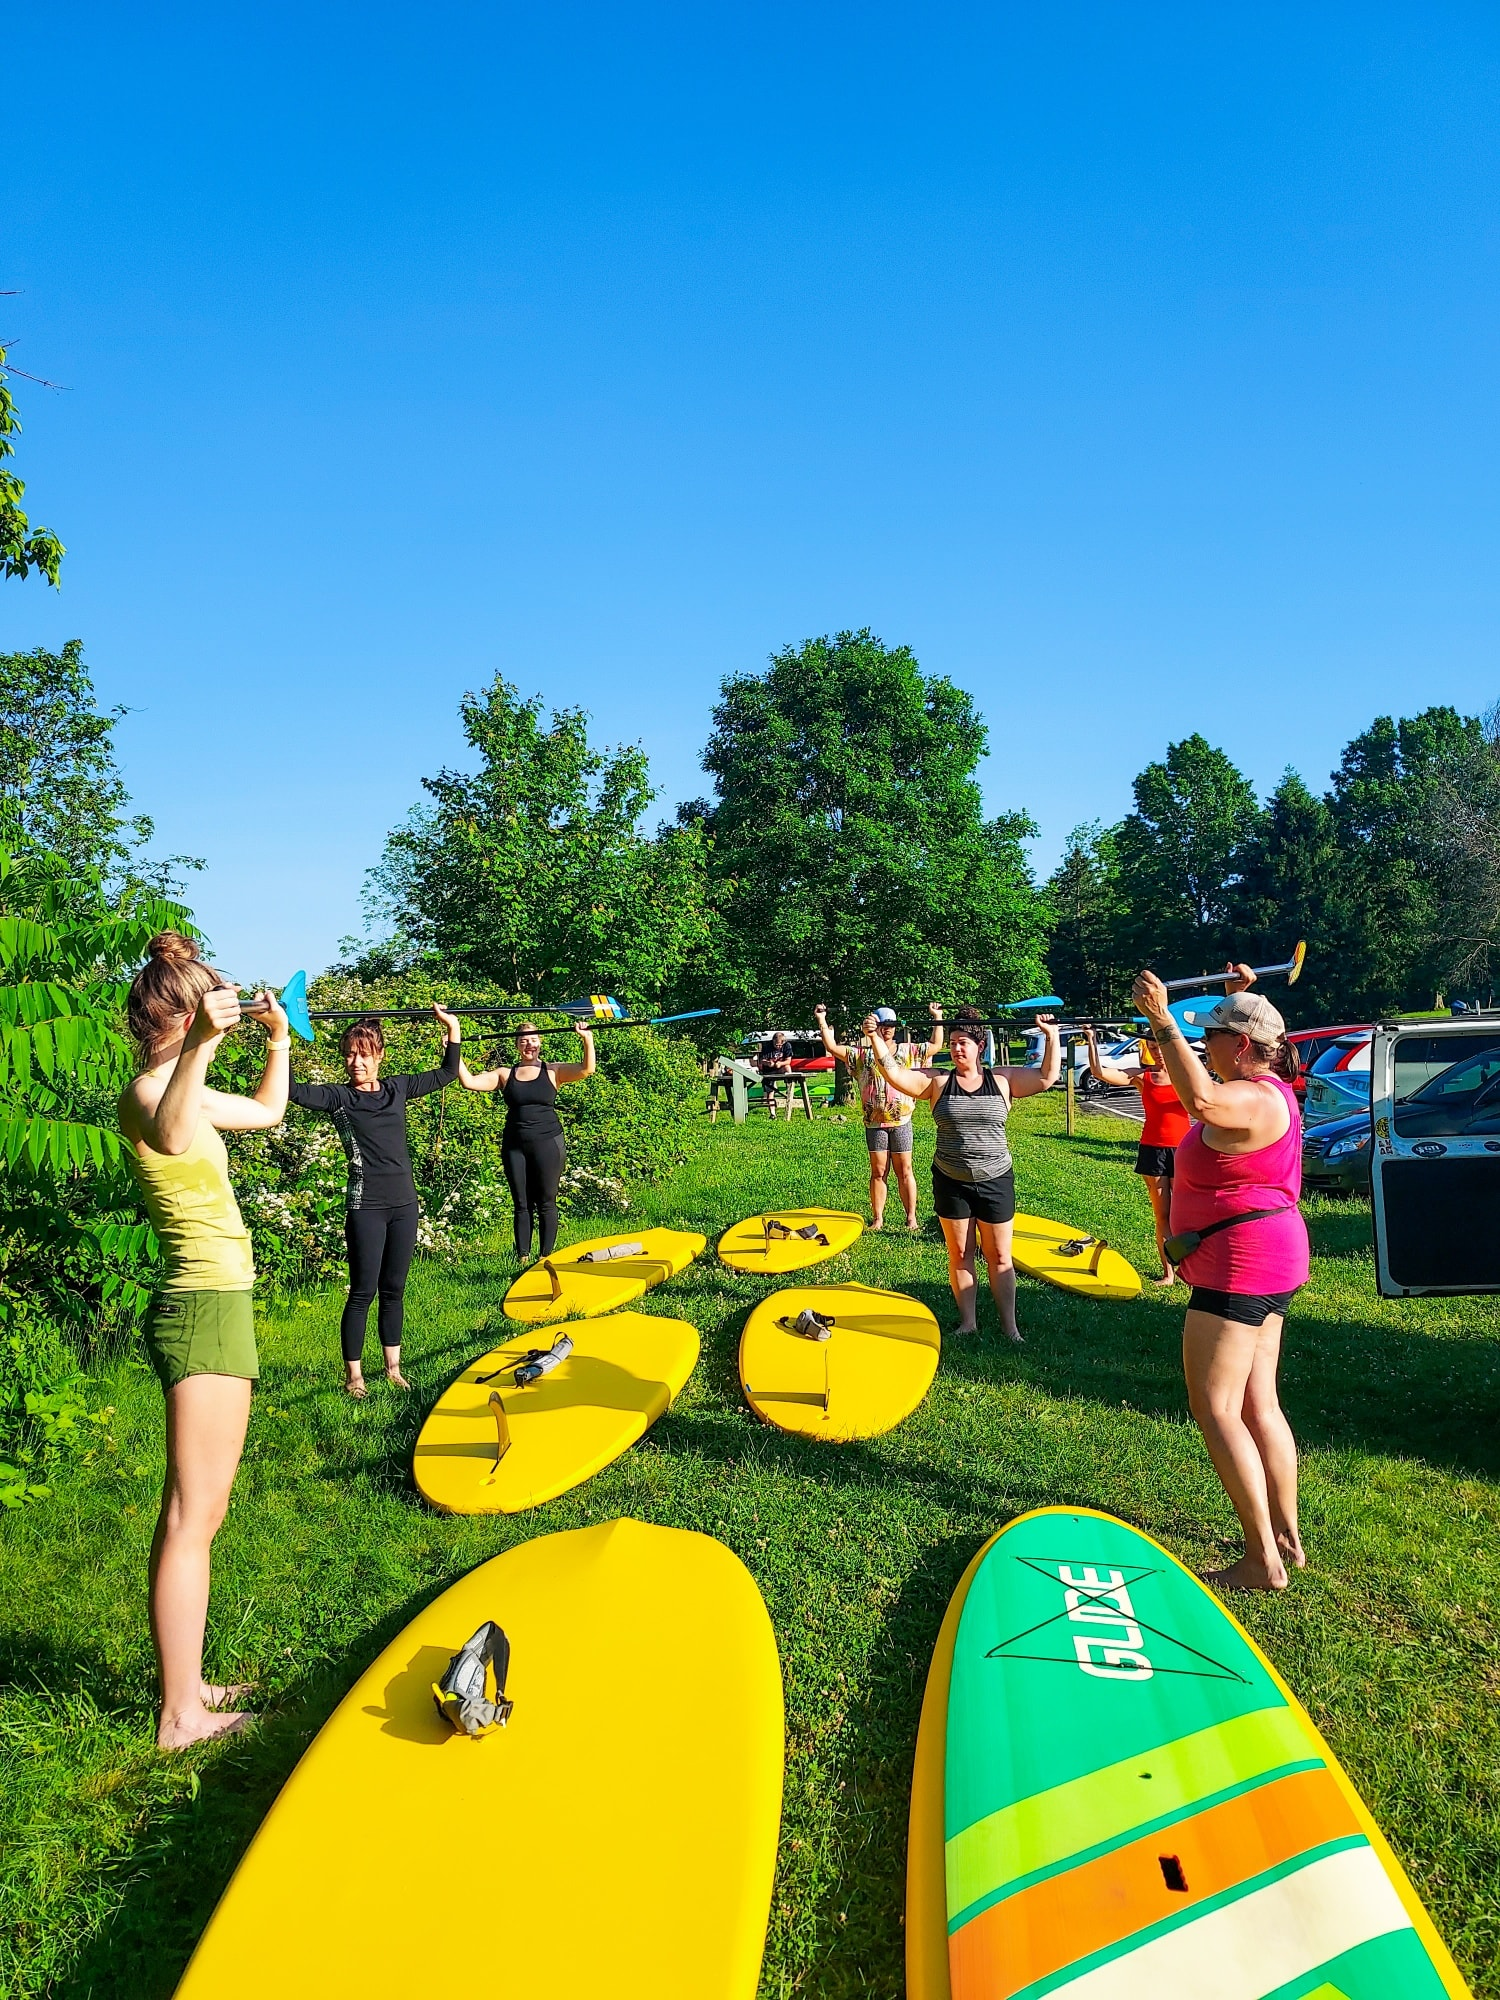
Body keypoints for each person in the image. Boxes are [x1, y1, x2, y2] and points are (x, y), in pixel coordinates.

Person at [118, 932, 290, 1749]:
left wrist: (280, 1043)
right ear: (181, 1012)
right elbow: (176, 1134)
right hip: (199, 1308)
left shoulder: (183, 1081)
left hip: (221, 1303)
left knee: (198, 1512)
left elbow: (266, 1112)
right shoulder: (149, 1091)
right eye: (208, 1002)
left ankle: (188, 1687)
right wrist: (206, 1043)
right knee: (194, 1516)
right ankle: (181, 1718)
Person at [1132, 963, 1310, 1594]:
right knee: (1260, 1402)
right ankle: (1286, 1532)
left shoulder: (1254, 1097)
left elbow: (1202, 1099)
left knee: (1216, 1406)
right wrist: (1240, 996)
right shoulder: (1273, 1088)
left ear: (1241, 1047)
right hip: (1269, 1257)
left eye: (1213, 1036)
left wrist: (1161, 1021)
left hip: (1242, 1267)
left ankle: (1262, 1559)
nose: (1203, 1043)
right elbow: (1220, 1074)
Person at [287, 1007, 462, 1397]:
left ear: (379, 1055)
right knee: (363, 1290)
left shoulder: (397, 1089)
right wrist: (279, 1035)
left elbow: (447, 1073)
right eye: (350, 1054)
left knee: (395, 1289)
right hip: (366, 1206)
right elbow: (291, 1091)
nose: (357, 1062)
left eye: (364, 1054)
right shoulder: (338, 1098)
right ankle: (354, 1375)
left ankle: (393, 1369)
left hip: (404, 1205)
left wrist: (452, 1028)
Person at [868, 1005, 1061, 1340]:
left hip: (996, 1180)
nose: (957, 1047)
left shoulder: (1002, 1079)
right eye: (953, 1041)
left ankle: (1010, 1328)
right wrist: (874, 1038)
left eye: (964, 1042)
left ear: (979, 1046)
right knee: (960, 1255)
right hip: (951, 1181)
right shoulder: (938, 1081)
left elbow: (1046, 1077)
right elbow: (896, 1076)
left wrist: (1052, 1036)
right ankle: (968, 1323)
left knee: (1000, 1257)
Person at [457, 1021, 596, 1259]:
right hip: (514, 1145)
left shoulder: (553, 1071)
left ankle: (545, 1257)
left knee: (546, 1201)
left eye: (533, 1039)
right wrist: (453, 1051)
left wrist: (586, 1038)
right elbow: (468, 1082)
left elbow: (586, 1069)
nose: (529, 1044)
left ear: (540, 1042)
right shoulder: (504, 1074)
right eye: (523, 1040)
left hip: (548, 1142)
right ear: (517, 1045)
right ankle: (522, 1256)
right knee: (521, 1203)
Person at [813, 1003, 944, 1230]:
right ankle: (878, 1218)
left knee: (905, 1170)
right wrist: (822, 1020)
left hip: (901, 1121)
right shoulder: (863, 1054)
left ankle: (911, 1217)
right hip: (875, 1123)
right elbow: (833, 1047)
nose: (887, 1030)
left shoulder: (908, 1051)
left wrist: (937, 1016)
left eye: (891, 1025)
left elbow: (935, 1045)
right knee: (878, 1171)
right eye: (883, 1025)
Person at [1084, 1026, 1193, 1284]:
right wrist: (1091, 1040)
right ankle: (1169, 1274)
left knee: (1182, 1214)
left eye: (1161, 1046)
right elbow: (1100, 1072)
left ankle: (1188, 1270)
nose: (1158, 1052)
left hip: (1182, 1150)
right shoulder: (1142, 1077)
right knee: (1163, 1215)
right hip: (1153, 1150)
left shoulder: (1187, 1075)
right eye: (1152, 1047)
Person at [757, 1032, 794, 1117]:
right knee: (770, 1092)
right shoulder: (767, 1046)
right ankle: (772, 1113)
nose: (778, 1047)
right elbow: (761, 1060)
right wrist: (768, 1063)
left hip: (780, 1067)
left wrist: (780, 1063)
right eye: (777, 1045)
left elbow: (788, 1061)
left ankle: (790, 1087)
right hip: (769, 1070)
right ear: (773, 1041)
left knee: (787, 1067)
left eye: (780, 1045)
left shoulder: (787, 1045)